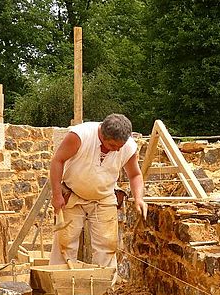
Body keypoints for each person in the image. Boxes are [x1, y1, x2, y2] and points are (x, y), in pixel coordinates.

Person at [49, 114, 147, 268]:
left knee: (107, 246)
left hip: (104, 197)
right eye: (113, 146)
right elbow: (57, 160)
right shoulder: (80, 136)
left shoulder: (127, 147)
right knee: (64, 245)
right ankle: (59, 288)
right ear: (102, 134)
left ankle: (106, 290)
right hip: (72, 194)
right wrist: (56, 195)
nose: (116, 150)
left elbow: (135, 175)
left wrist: (139, 198)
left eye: (119, 147)